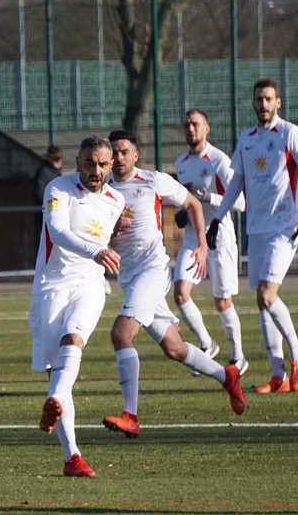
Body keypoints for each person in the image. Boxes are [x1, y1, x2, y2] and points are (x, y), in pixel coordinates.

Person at [100, 129, 246, 440]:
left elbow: (193, 204)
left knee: (121, 333)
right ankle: (227, 375)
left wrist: (202, 245)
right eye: (115, 152)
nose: (120, 157)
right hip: (129, 278)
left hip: (152, 271)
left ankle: (131, 415)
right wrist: (111, 229)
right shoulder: (104, 191)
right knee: (175, 348)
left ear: (135, 155)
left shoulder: (152, 180)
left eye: (125, 151)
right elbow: (99, 236)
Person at [207, 78, 298, 394]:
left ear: (278, 102)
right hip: (255, 229)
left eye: (269, 99)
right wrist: (217, 219)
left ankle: (297, 355)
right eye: (259, 99)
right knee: (261, 302)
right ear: (253, 102)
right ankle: (277, 374)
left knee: (268, 295)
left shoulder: (289, 133)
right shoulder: (246, 139)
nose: (263, 104)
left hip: (285, 227)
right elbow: (236, 183)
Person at [30, 136, 124, 477]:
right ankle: (72, 457)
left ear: (111, 164)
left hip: (89, 284)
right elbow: (58, 230)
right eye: (88, 163)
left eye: (101, 164)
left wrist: (108, 243)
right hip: (51, 287)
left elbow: (102, 231)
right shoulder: (57, 188)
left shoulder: (117, 199)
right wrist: (97, 249)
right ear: (77, 162)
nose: (95, 171)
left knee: (75, 338)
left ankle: (54, 399)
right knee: (56, 371)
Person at [173, 109, 248, 375]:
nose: (190, 129)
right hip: (194, 238)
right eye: (187, 125)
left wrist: (207, 196)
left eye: (195, 124)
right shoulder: (180, 162)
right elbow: (188, 201)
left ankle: (238, 356)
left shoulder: (219, 160)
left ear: (207, 129)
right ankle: (207, 344)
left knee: (222, 302)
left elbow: (240, 202)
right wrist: (184, 213)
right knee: (180, 294)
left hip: (219, 237)